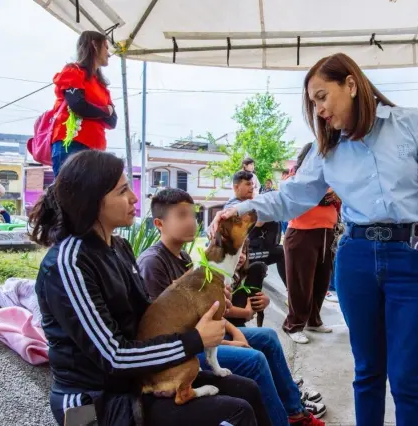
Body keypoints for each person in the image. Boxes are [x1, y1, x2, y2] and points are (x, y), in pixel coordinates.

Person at [210, 52, 418, 426]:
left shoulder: (411, 123)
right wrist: (240, 210)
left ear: (350, 84)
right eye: (313, 103)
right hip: (356, 257)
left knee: (407, 375)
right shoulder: (325, 148)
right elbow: (291, 196)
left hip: (414, 257)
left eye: (322, 96)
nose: (320, 109)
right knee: (367, 372)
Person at [31, 151, 267, 426]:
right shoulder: (69, 264)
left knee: (247, 389)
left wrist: (201, 302)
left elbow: (149, 313)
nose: (133, 197)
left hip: (138, 377)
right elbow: (113, 356)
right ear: (93, 200)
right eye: (122, 191)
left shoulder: (118, 247)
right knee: (236, 411)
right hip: (95, 402)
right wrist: (195, 340)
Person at [137, 188, 326, 426]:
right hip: (182, 351)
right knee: (255, 360)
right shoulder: (152, 263)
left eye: (192, 214)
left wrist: (235, 330)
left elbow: (207, 310)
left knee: (267, 336)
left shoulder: (185, 258)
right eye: (182, 215)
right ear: (159, 223)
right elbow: (168, 331)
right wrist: (229, 340)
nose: (191, 221)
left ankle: (293, 410)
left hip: (200, 338)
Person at [282, 143, 339, 344]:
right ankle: (293, 325)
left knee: (321, 282)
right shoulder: (293, 177)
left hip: (327, 234)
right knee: (300, 284)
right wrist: (327, 193)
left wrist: (337, 193)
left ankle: (313, 320)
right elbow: (300, 196)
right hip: (301, 234)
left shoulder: (332, 178)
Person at [50, 31, 117, 176]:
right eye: (106, 47)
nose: (109, 53)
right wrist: (106, 110)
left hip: (96, 150)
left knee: (90, 197)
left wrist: (97, 110)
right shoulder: (73, 71)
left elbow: (113, 121)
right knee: (67, 194)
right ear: (94, 45)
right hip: (72, 144)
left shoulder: (101, 84)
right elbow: (78, 106)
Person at [225, 171, 287, 287]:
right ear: (236, 187)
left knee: (281, 252)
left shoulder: (247, 203)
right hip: (244, 254)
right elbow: (259, 222)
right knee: (282, 253)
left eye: (253, 184)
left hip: (251, 249)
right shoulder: (234, 206)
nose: (252, 188)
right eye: (248, 184)